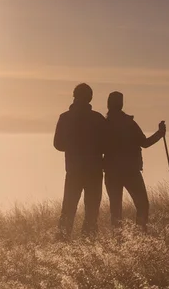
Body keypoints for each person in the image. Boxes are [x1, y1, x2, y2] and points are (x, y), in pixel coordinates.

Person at [103, 91, 165, 232]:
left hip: (112, 172)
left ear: (108, 104)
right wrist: (160, 134)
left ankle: (118, 239)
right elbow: (144, 143)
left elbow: (97, 146)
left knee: (115, 209)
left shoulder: (105, 124)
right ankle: (140, 234)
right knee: (142, 204)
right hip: (131, 171)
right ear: (122, 104)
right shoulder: (129, 123)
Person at [53, 83, 106, 240]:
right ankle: (88, 244)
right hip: (94, 171)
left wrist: (73, 146)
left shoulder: (65, 118)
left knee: (68, 210)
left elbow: (58, 144)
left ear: (74, 96)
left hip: (73, 170)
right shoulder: (97, 118)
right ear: (90, 98)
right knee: (91, 212)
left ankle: (62, 244)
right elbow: (107, 143)